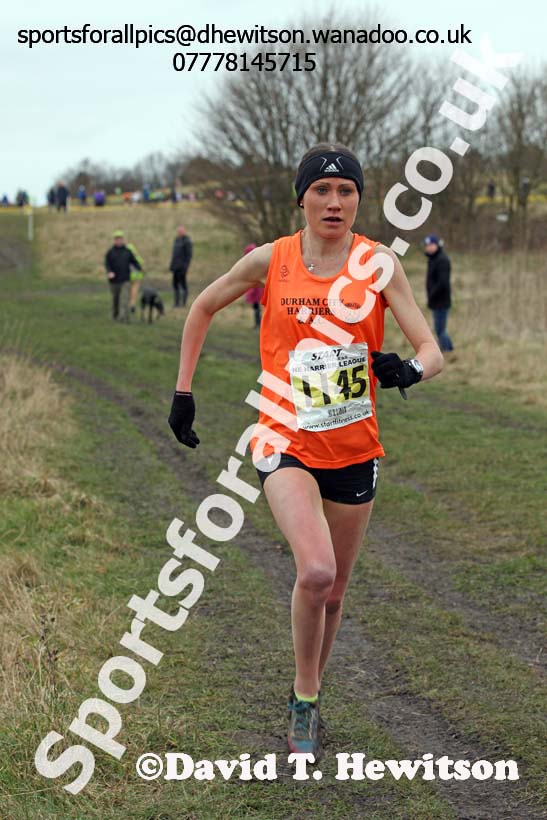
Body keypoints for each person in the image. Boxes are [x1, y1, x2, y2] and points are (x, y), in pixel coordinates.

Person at [168, 142, 443, 760]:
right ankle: (304, 694)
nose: (334, 201)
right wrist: (183, 392)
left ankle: (310, 696)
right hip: (283, 440)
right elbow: (202, 305)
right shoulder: (272, 259)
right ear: (302, 198)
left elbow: (432, 350)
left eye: (346, 191)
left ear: (358, 201)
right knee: (314, 571)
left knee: (336, 591)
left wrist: (408, 371)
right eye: (322, 191)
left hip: (354, 448)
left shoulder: (378, 265)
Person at [424, 234, 454, 352]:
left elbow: (443, 283)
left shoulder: (442, 260)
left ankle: (448, 349)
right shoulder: (432, 259)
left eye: (431, 245)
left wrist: (432, 295)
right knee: (438, 328)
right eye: (427, 245)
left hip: (441, 301)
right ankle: (446, 347)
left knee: (440, 329)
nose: (428, 248)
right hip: (436, 301)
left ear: (436, 245)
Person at [104, 230, 142, 322]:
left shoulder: (127, 252)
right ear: (115, 240)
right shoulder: (110, 252)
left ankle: (123, 318)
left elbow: (135, 262)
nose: (119, 241)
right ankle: (115, 315)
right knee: (115, 300)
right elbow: (107, 264)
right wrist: (109, 272)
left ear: (123, 240)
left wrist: (139, 269)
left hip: (125, 280)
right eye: (117, 239)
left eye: (120, 239)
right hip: (114, 281)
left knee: (124, 299)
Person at [169, 225, 193, 308]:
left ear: (184, 231)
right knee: (175, 285)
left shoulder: (187, 241)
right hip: (175, 267)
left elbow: (189, 256)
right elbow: (174, 254)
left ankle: (183, 303)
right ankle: (176, 303)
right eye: (178, 231)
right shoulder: (176, 240)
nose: (179, 233)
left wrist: (185, 267)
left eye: (181, 231)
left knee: (183, 285)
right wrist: (171, 266)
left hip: (182, 268)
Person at [242, 243, 263, 328]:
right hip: (258, 291)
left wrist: (251, 292)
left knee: (256, 308)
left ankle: (258, 324)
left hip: (256, 291)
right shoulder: (259, 262)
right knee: (256, 308)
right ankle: (258, 323)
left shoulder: (253, 265)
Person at [127, 241, 145, 314]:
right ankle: (132, 305)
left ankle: (130, 305)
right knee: (134, 293)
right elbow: (142, 269)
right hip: (137, 279)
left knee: (129, 293)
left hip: (129, 279)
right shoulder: (138, 258)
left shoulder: (126, 259)